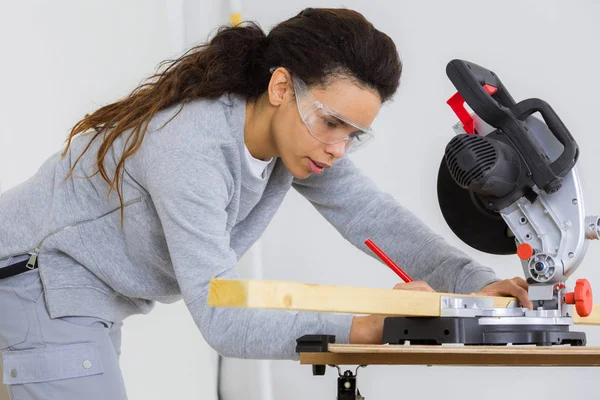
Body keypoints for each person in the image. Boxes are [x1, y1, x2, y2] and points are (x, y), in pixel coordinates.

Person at [0, 7, 532, 399]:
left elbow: (374, 217)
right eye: (331, 123)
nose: (337, 149)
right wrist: (369, 327)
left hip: (70, 298)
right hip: (33, 282)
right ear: (282, 86)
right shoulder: (192, 149)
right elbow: (224, 320)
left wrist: (472, 283)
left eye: (354, 135)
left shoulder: (293, 144)